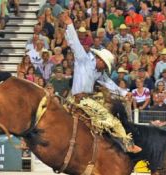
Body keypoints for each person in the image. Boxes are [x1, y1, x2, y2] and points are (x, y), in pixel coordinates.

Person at [60, 11, 141, 153]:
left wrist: (124, 93)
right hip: (81, 100)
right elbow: (74, 44)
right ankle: (128, 144)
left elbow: (109, 83)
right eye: (105, 65)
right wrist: (70, 25)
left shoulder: (99, 71)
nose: (105, 69)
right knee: (112, 121)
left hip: (85, 99)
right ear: (100, 60)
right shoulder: (83, 59)